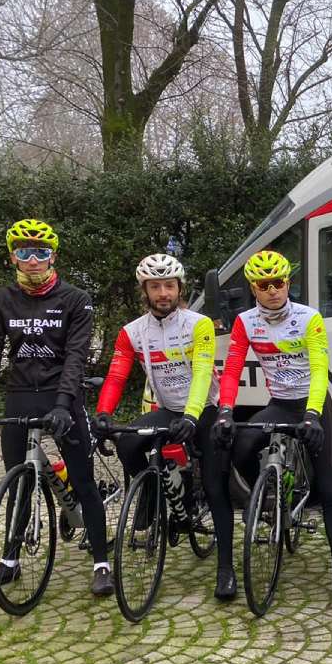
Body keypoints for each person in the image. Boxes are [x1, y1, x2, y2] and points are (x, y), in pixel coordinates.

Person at [0, 219, 111, 595]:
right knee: (19, 481)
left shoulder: (75, 298)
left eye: (41, 251)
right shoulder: (0, 300)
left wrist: (63, 404)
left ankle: (102, 563)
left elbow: (76, 356)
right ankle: (9, 562)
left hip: (63, 395)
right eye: (24, 251)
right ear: (13, 257)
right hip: (21, 392)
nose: (33, 259)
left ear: (53, 256)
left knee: (84, 480)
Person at [211, 250, 332, 608]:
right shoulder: (246, 322)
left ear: (288, 283)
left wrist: (312, 414)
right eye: (264, 285)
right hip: (278, 403)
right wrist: (225, 410)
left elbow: (320, 369)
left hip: (313, 404)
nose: (273, 290)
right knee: (241, 445)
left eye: (278, 282)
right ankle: (266, 497)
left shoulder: (309, 318)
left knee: (330, 488)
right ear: (253, 289)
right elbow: (232, 369)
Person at [91, 254, 236, 599]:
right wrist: (103, 413)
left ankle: (226, 568)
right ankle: (154, 494)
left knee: (215, 487)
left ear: (179, 288)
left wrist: (192, 416)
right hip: (169, 410)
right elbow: (117, 375)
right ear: (145, 291)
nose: (163, 293)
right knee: (128, 444)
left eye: (169, 286)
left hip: (205, 410)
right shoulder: (132, 332)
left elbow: (202, 372)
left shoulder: (198, 324)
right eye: (155, 287)